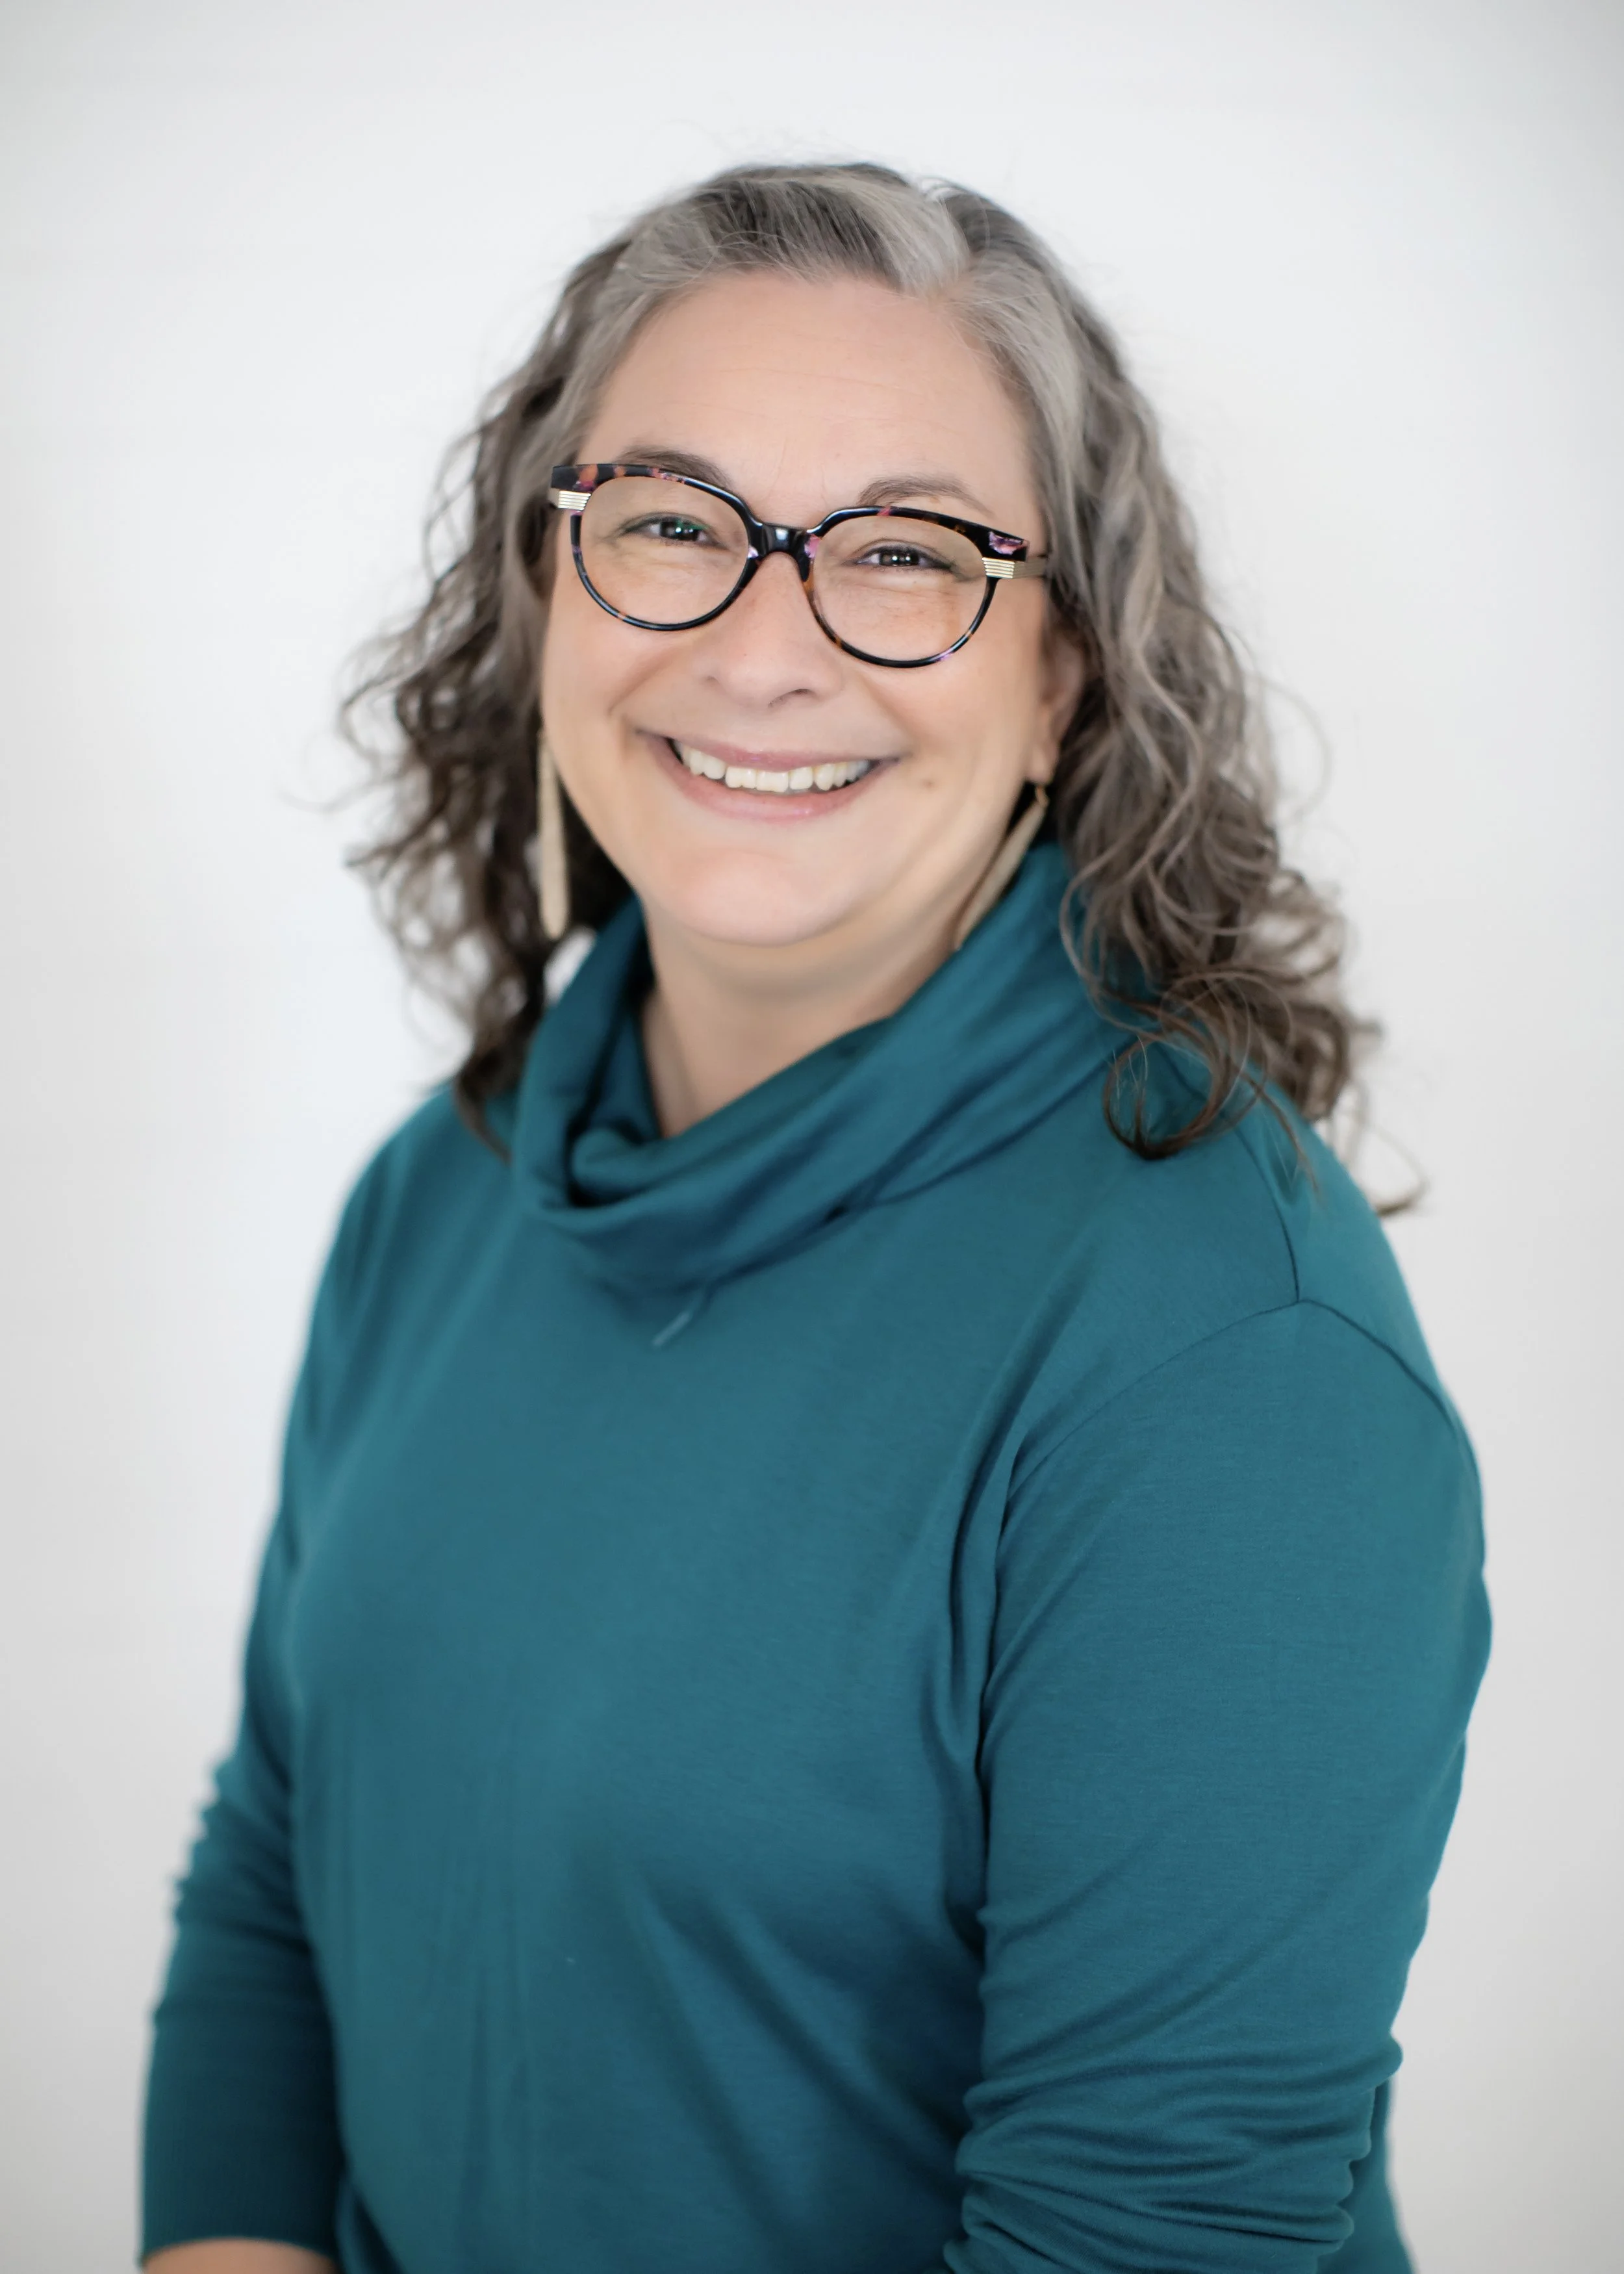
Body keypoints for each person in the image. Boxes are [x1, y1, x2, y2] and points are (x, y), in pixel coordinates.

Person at [141, 162, 1490, 2274]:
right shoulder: (449, 1187)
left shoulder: (1230, 1362)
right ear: (547, 585)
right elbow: (279, 1870)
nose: (764, 648)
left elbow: (1144, 2234)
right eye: (670, 521)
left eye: (906, 553)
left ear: (1062, 678)